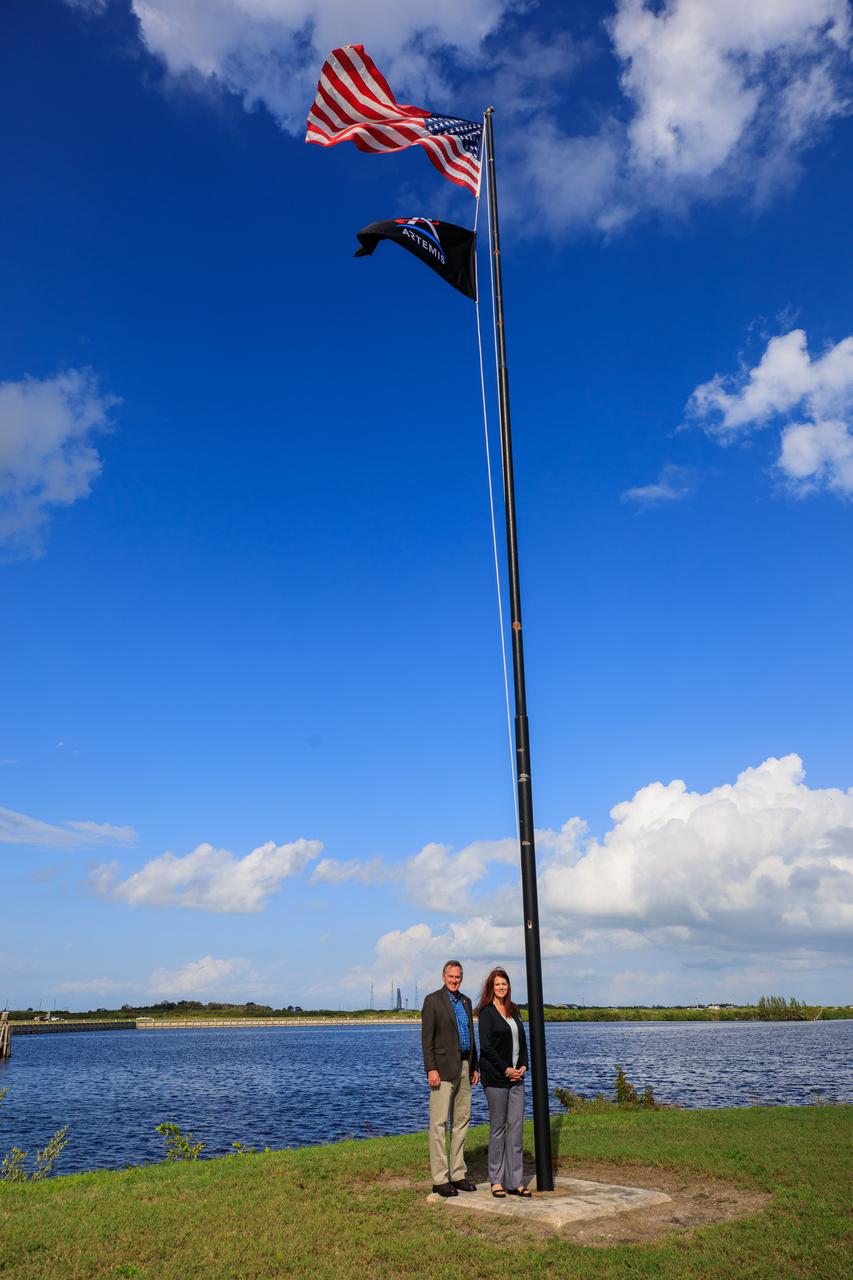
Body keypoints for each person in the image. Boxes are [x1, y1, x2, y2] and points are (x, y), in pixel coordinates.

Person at [421, 960, 480, 1196]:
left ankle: (457, 1174)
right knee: (438, 1124)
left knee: (461, 1122)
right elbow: (427, 1039)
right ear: (443, 976)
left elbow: (470, 1035)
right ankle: (440, 1179)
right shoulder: (432, 1000)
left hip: (465, 1067)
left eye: (458, 977)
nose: (455, 981)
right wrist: (430, 1069)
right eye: (451, 977)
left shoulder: (466, 1001)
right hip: (442, 1070)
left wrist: (474, 1066)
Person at [476, 966, 531, 1198]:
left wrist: (523, 1066)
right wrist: (506, 1069)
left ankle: (515, 1181)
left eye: (504, 984)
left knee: (516, 1130)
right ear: (492, 987)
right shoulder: (486, 1012)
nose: (501, 987)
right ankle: (496, 1180)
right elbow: (487, 1048)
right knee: (498, 1129)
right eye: (497, 984)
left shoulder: (513, 1010)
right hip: (496, 1078)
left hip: (517, 1078)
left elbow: (523, 1041)